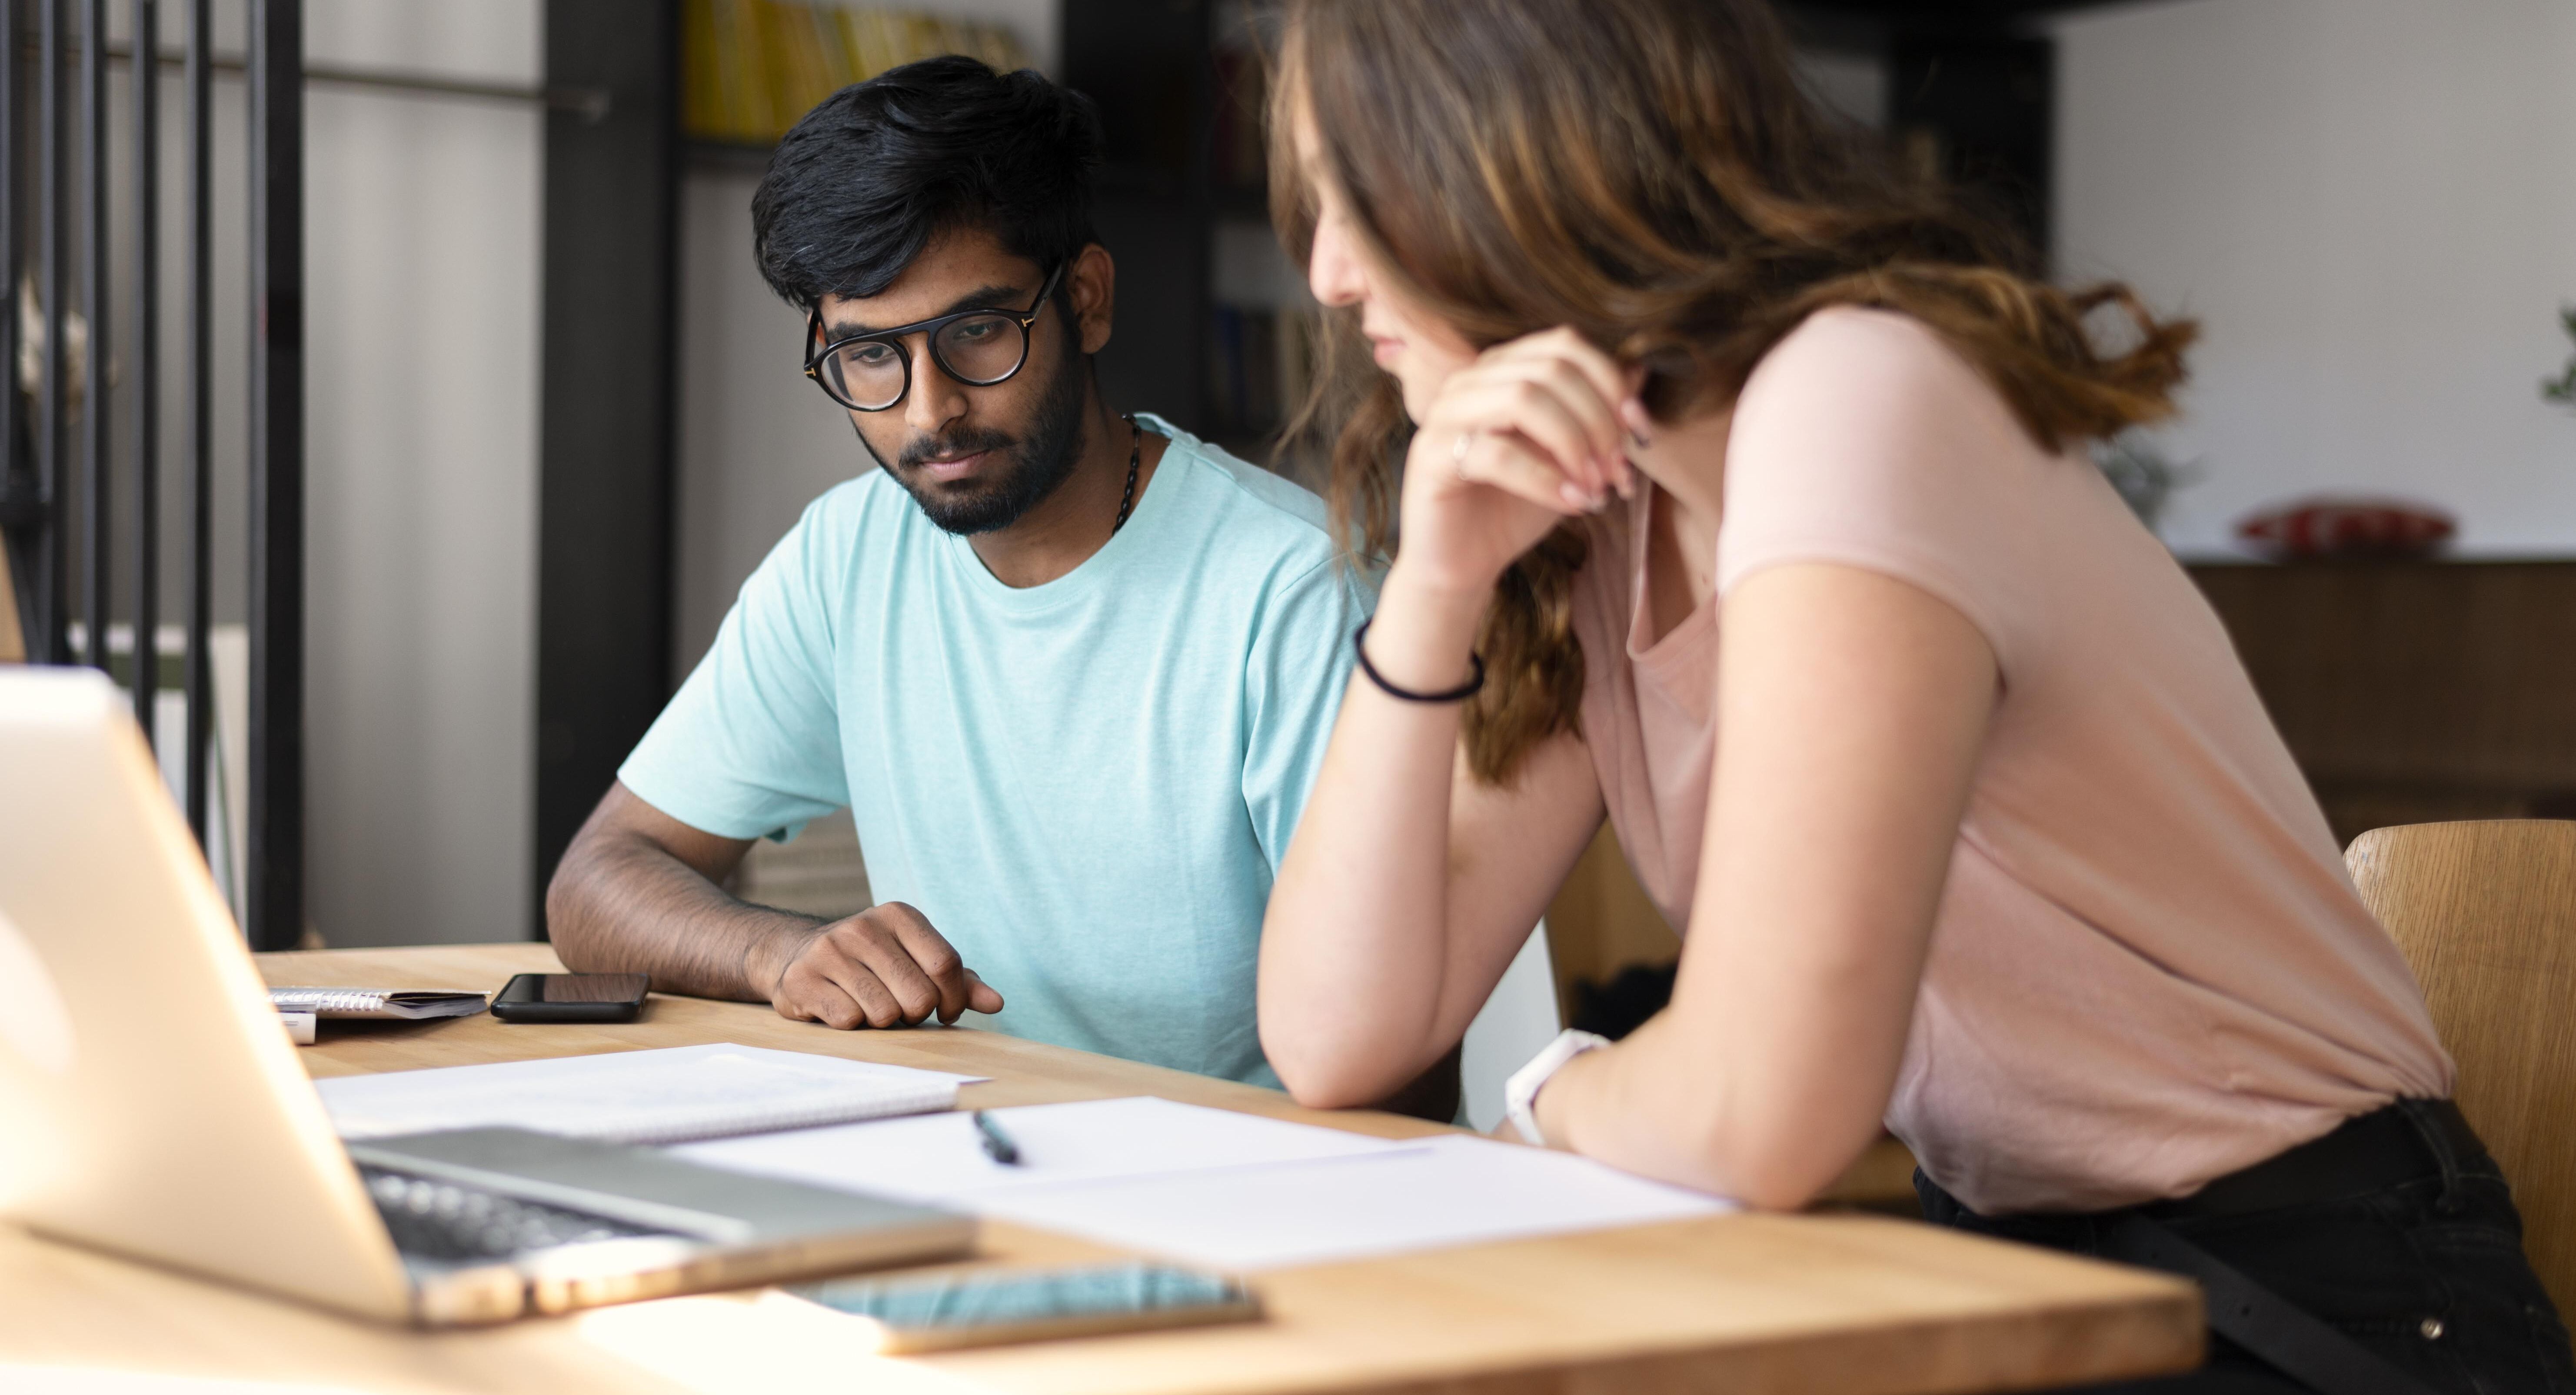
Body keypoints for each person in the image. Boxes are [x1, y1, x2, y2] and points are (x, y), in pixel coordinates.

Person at [1253, 0, 2576, 1389]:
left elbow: (1763, 1111)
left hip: (2313, 1291)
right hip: (2019, 1270)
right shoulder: (1592, 518)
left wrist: (1550, 1093)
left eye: (1356, 192)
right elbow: (1339, 1036)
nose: (1330, 276)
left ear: (1510, 154)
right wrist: (1436, 583)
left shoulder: (1851, 394)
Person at [548, 57, 1366, 1093]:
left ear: (1086, 299)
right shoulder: (847, 556)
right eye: (870, 356)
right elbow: (599, 875)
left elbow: (1394, 1068)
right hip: (964, 1187)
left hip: (1231, 1215)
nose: (927, 411)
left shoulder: (1293, 593)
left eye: (976, 332)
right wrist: (780, 954)